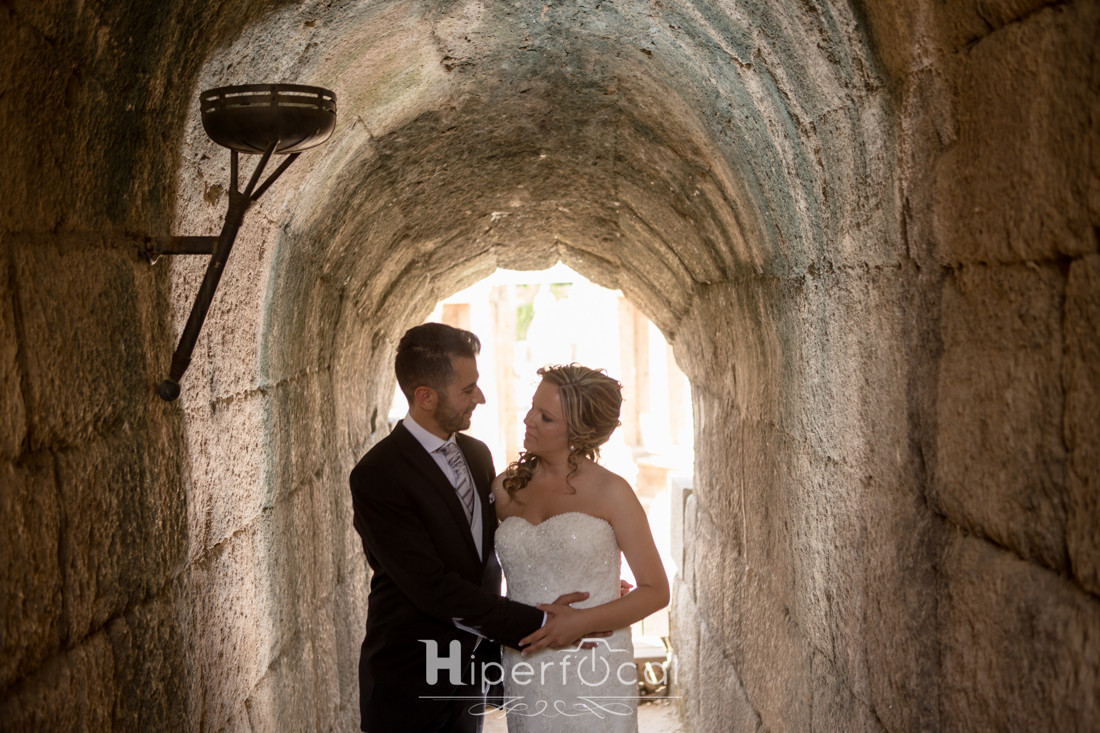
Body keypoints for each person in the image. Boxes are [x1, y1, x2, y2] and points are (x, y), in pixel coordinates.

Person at [349, 324, 591, 733]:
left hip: (469, 678)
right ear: (425, 397)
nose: (480, 397)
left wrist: (587, 576)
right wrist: (542, 626)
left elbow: (508, 541)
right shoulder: (377, 475)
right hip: (409, 682)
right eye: (468, 389)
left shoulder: (478, 456)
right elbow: (433, 588)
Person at [492, 364, 671, 732]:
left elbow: (657, 591)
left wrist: (580, 622)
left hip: (593, 661)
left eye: (546, 417)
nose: (528, 420)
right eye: (532, 407)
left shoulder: (612, 493)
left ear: (578, 432)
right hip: (525, 662)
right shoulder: (504, 488)